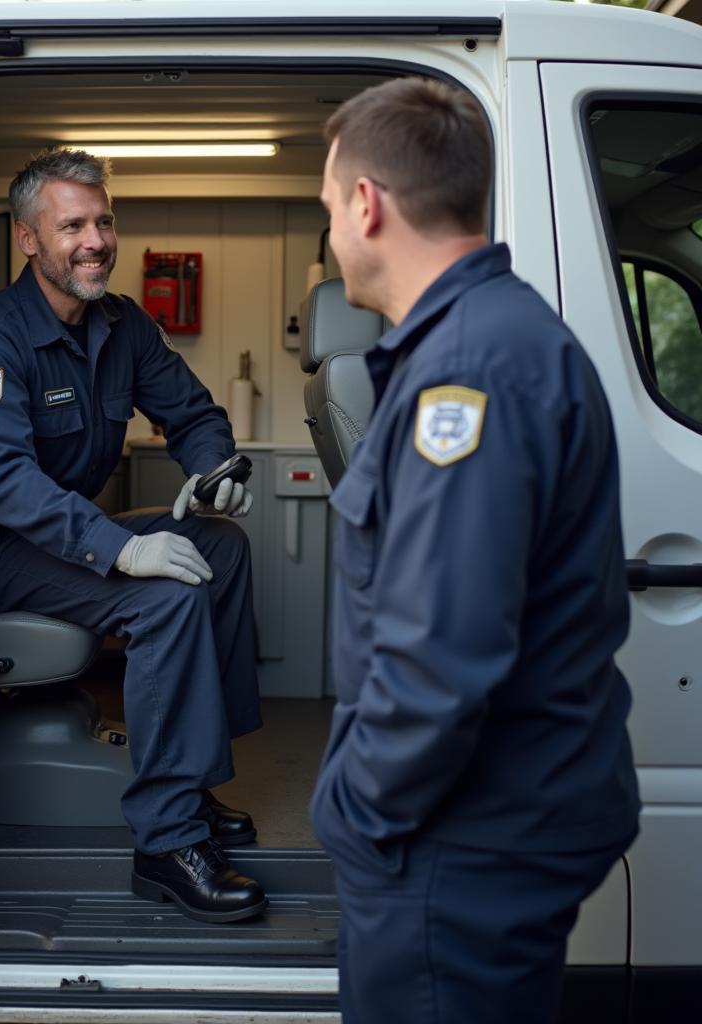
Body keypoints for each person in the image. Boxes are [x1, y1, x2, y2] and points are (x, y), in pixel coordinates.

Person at [310, 78, 640, 1023]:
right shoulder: (481, 342)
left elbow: (441, 658)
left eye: (330, 207)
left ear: (367, 205)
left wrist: (355, 816)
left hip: (457, 839)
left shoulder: (470, 374)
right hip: (480, 824)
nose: (332, 233)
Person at [0, 147, 267, 924]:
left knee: (221, 546)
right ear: (28, 240)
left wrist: (214, 468)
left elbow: (193, 411)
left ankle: (188, 778)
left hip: (57, 541)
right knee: (161, 598)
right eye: (72, 224)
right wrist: (121, 548)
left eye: (104, 221)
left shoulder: (123, 326)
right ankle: (165, 843)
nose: (94, 240)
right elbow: (7, 486)